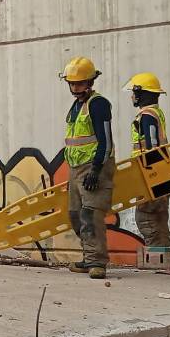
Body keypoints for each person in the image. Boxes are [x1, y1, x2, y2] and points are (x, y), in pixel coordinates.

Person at [61, 57, 115, 280]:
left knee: (90, 213)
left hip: (94, 166)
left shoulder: (98, 103)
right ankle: (88, 256)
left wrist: (96, 169)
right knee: (75, 214)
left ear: (90, 81)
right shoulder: (77, 106)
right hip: (76, 168)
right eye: (72, 84)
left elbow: (106, 140)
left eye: (80, 83)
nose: (75, 88)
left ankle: (97, 261)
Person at [124, 72, 170, 247]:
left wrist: (149, 172)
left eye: (134, 92)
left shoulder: (147, 116)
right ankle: (161, 254)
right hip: (162, 170)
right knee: (159, 216)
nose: (132, 96)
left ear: (142, 94)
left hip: (152, 171)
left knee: (147, 216)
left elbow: (151, 145)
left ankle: (156, 255)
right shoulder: (156, 112)